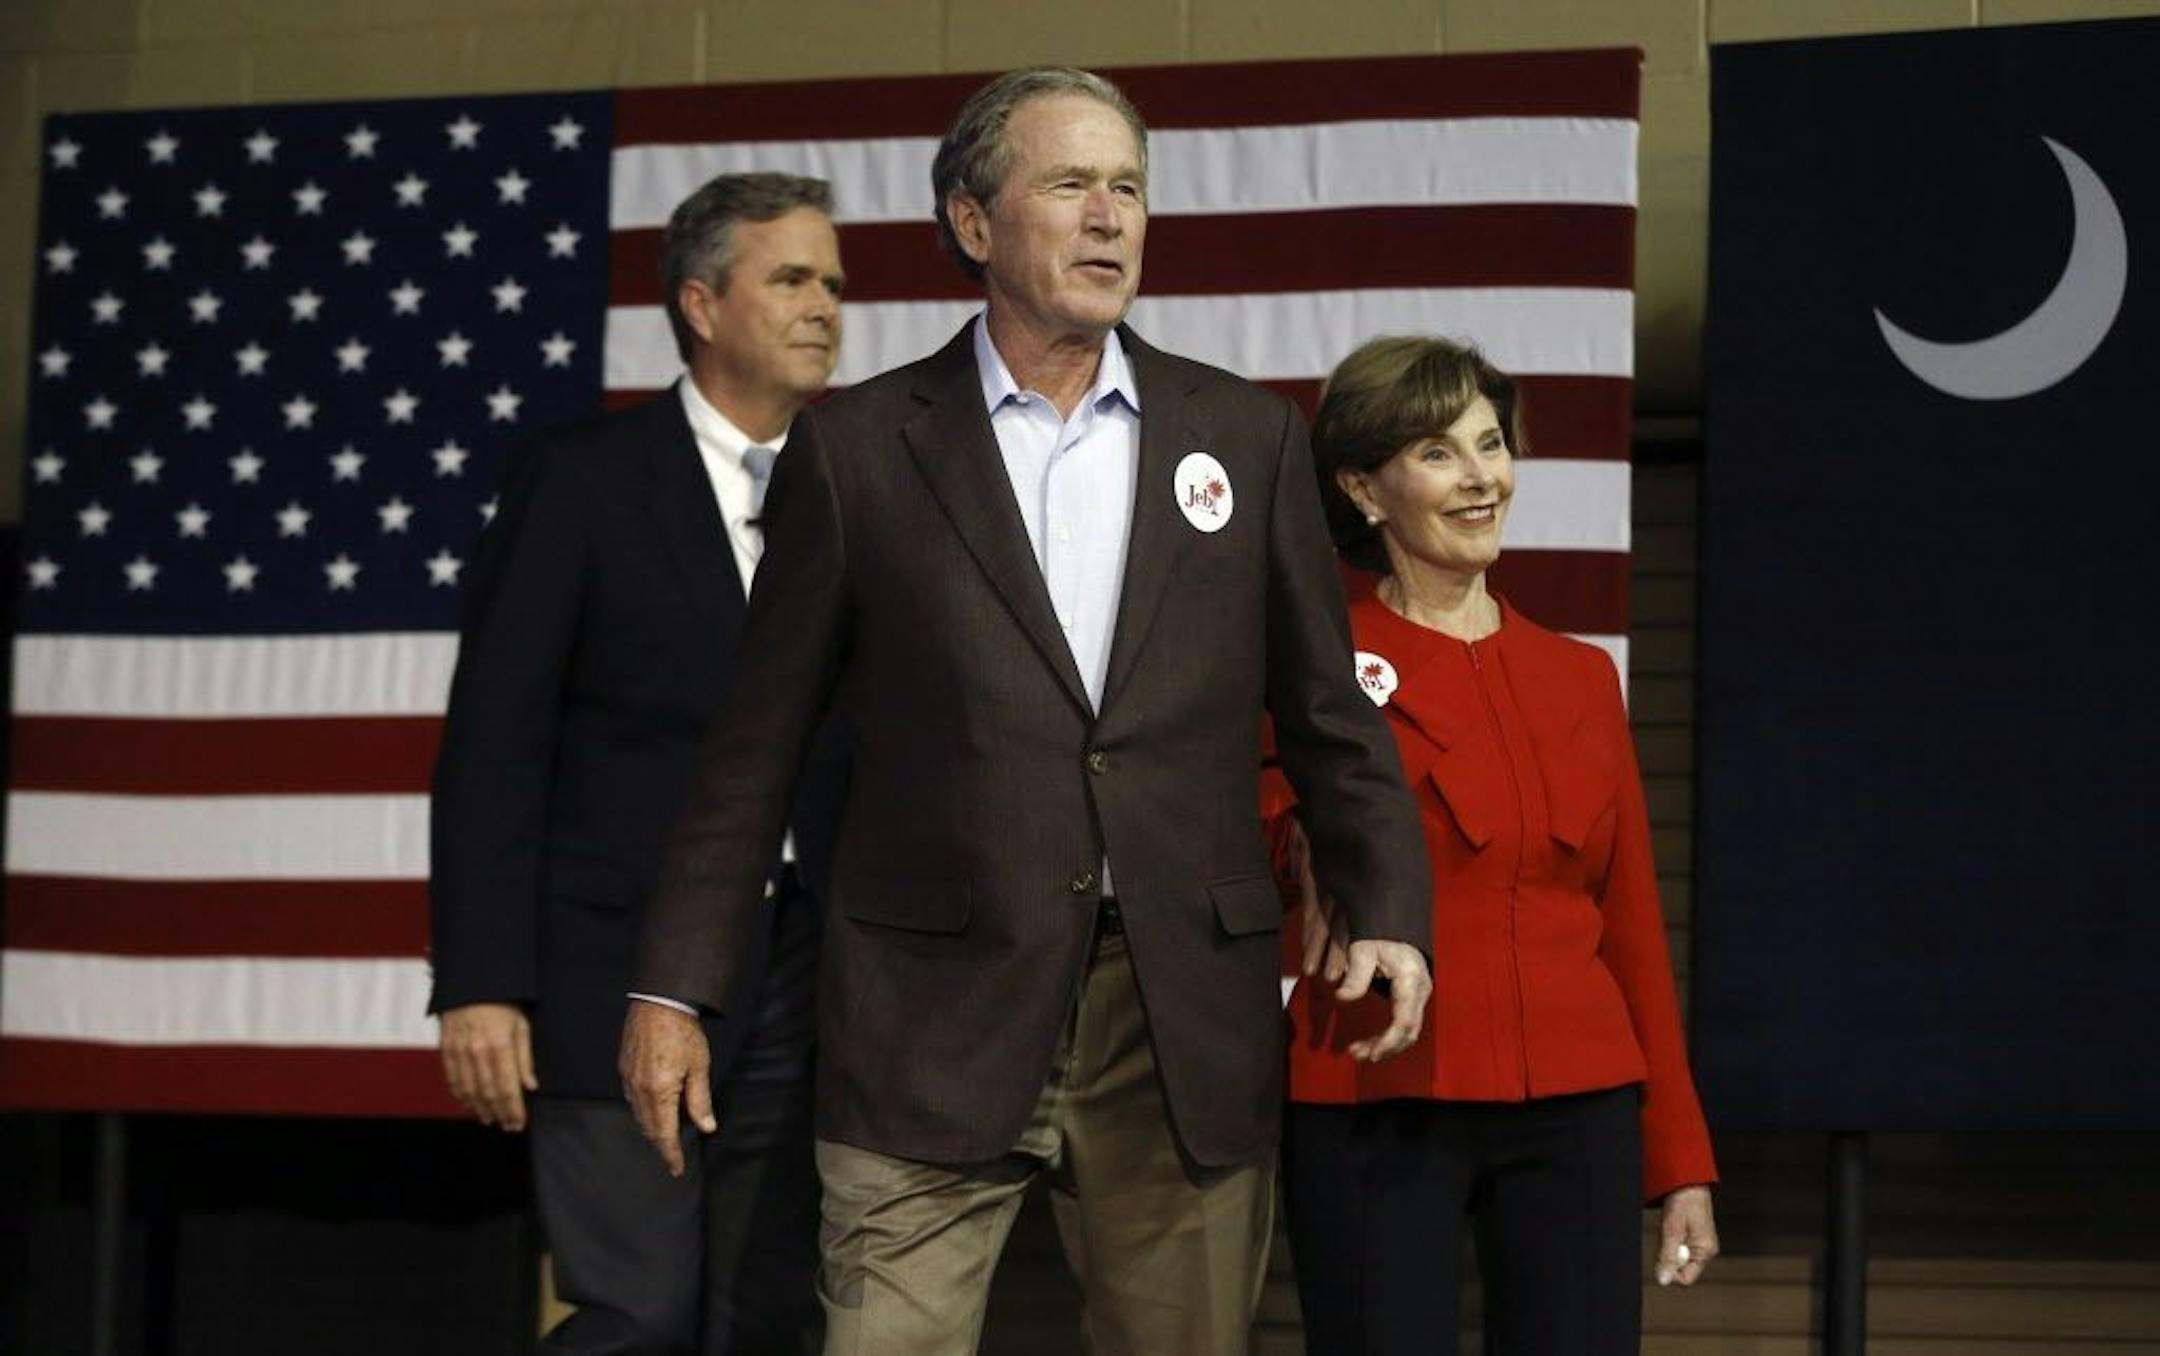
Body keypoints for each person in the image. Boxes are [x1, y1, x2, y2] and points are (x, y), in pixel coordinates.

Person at [618, 67, 1435, 1356]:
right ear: (974, 223)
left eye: (1128, 188)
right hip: (927, 1009)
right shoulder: (858, 450)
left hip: (1177, 1013)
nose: (1110, 216)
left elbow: (1331, 717)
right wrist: (674, 989)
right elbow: (751, 756)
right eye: (1069, 184)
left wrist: (1386, 903)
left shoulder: (1246, 436)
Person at [428, 172, 849, 1354]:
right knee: (640, 1315)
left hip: (804, 974)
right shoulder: (583, 482)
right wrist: (480, 979)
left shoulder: (857, 485)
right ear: (703, 305)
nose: (824, 306)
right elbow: (493, 746)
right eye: (792, 279)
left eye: (833, 284)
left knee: (763, 1313)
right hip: (610, 966)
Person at [1275, 335, 1719, 1355]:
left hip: (1578, 1106)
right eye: (1438, 454)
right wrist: (1299, 843)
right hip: (1379, 1090)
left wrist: (1679, 1159)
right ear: (1364, 488)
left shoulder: (1577, 678)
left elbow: (1634, 932)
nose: (1482, 478)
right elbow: (1253, 840)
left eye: (1490, 443)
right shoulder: (1306, 662)